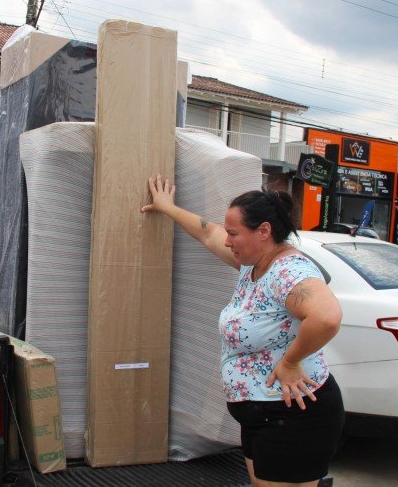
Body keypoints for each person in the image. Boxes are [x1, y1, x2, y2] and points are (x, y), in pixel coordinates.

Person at [141, 175, 344, 486]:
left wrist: (290, 363)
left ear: (263, 231)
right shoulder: (253, 263)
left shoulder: (288, 272)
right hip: (263, 416)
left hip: (292, 417)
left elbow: (327, 316)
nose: (227, 240)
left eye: (234, 233)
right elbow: (207, 233)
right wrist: (168, 208)